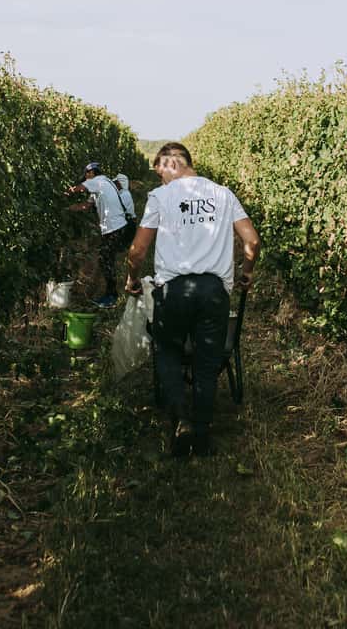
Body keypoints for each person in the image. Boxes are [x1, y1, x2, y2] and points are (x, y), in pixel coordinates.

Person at [124, 142, 260, 457]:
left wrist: (132, 278)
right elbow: (252, 241)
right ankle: (202, 432)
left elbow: (138, 250)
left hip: (173, 291)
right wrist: (247, 272)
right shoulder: (224, 194)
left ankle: (180, 421)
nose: (160, 180)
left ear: (171, 164)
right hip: (213, 293)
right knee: (207, 361)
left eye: (160, 173)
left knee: (168, 352)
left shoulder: (161, 197)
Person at [68, 162, 130, 308]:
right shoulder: (100, 186)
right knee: (106, 259)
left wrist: (67, 191)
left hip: (115, 228)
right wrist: (70, 208)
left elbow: (79, 188)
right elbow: (86, 205)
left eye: (86, 176)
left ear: (91, 173)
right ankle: (110, 293)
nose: (85, 179)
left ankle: (112, 296)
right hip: (114, 228)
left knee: (105, 260)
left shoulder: (99, 181)